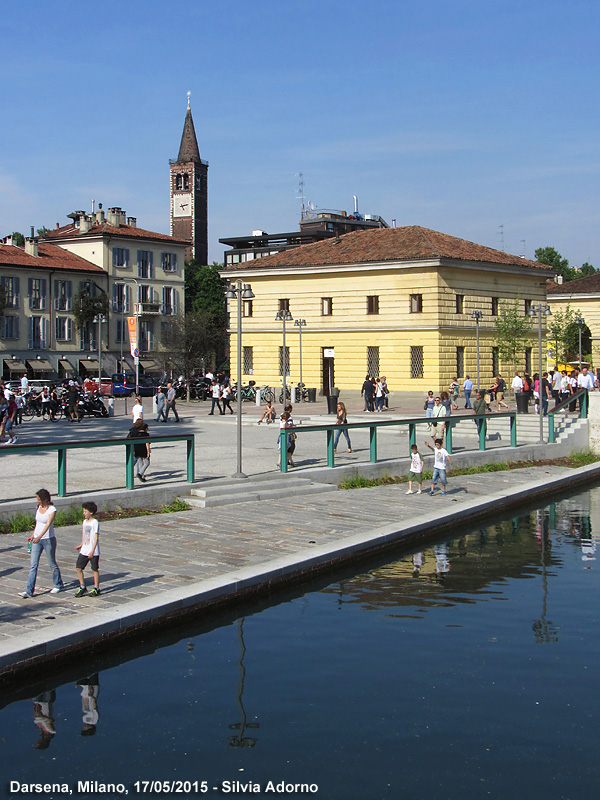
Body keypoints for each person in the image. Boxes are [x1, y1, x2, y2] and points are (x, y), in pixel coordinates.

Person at [19, 489, 64, 598]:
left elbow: (48, 524)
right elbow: (38, 523)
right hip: (36, 540)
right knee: (33, 565)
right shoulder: (38, 508)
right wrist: (34, 535)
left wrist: (39, 536)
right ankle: (29, 591)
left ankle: (58, 583)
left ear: (44, 499)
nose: (37, 501)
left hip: (48, 539)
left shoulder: (52, 509)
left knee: (52, 563)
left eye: (39, 499)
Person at [75, 501, 100, 597]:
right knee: (79, 567)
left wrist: (92, 550)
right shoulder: (85, 522)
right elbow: (85, 535)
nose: (84, 513)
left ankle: (96, 587)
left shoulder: (95, 523)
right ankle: (82, 586)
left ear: (91, 512)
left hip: (93, 550)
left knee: (94, 569)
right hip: (84, 549)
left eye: (85, 511)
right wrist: (81, 544)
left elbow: (96, 537)